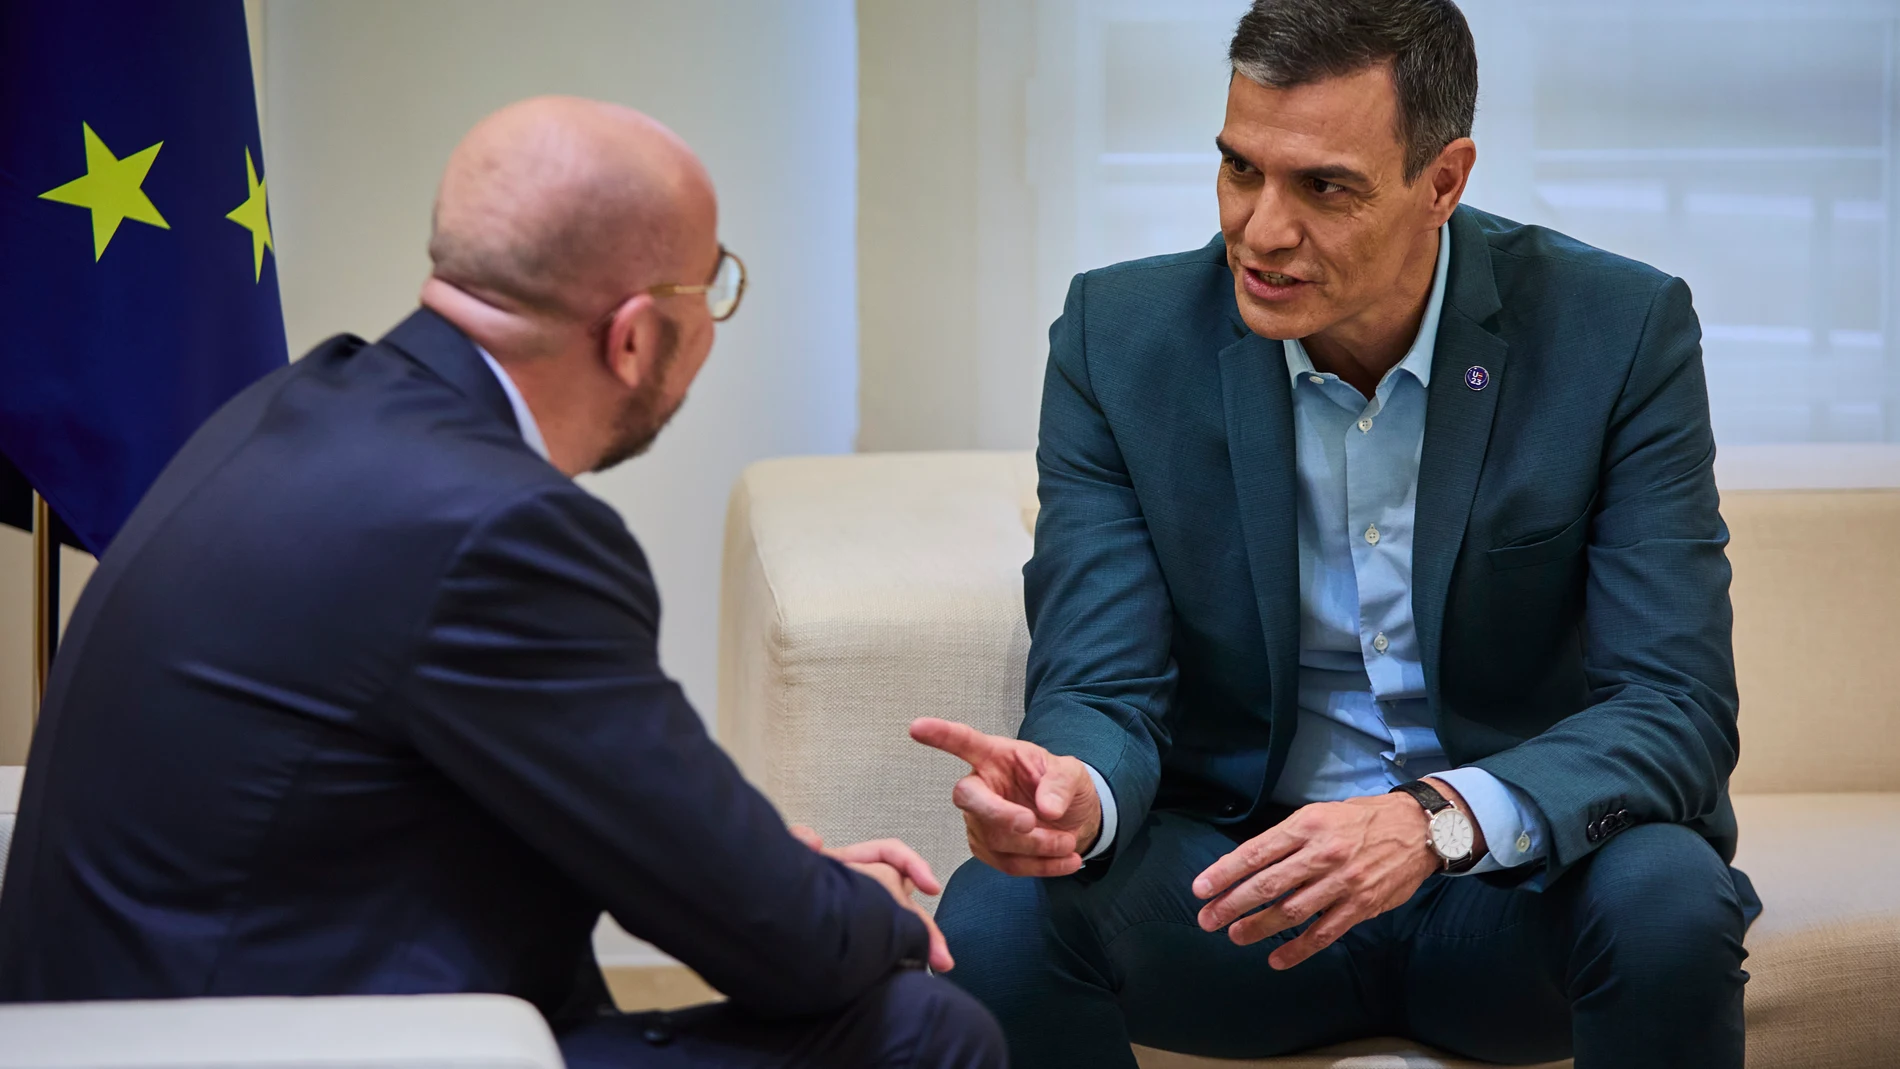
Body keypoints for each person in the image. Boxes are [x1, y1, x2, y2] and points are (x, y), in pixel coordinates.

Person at [0, 96, 1004, 1069]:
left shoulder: (302, 404)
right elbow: (787, 951)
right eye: (715, 288)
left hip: (159, 996)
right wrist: (872, 916)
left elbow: (618, 808)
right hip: (271, 1040)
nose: (715, 322)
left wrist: (758, 869)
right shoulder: (503, 530)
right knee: (923, 1030)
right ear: (634, 334)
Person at [913, 3, 1758, 1067]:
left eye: (1324, 187)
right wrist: (1076, 796)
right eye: (1238, 170)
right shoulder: (1116, 341)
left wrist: (1431, 821)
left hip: (1502, 886)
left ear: (1442, 182)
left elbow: (1673, 704)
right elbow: (1100, 684)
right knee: (995, 915)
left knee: (1670, 894)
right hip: (1243, 892)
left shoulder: (1616, 331)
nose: (1261, 230)